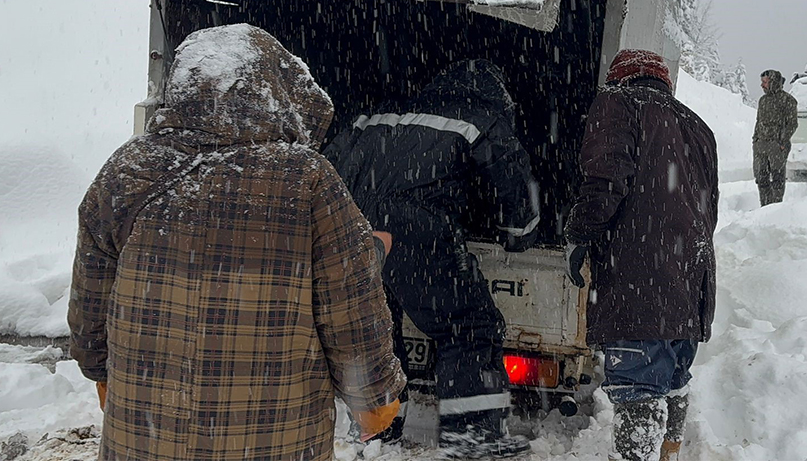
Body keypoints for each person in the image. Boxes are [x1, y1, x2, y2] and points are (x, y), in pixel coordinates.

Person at [69, 24, 406, 461]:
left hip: (143, 438)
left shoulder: (130, 167)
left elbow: (89, 304)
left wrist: (102, 372)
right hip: (275, 440)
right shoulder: (305, 178)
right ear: (275, 88)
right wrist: (373, 396)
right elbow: (350, 310)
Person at [324, 59, 540, 458]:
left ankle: (379, 428)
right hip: (416, 227)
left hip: (352, 226)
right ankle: (472, 438)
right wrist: (519, 234)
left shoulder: (378, 116)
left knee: (377, 328)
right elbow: (512, 183)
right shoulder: (480, 119)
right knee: (469, 328)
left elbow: (329, 165)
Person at [563, 49, 718, 461]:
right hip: (690, 281)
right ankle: (668, 453)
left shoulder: (618, 104)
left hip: (640, 279)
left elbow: (605, 180)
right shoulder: (698, 125)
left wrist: (580, 234)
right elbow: (710, 209)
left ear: (619, 80)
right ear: (663, 81)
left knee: (639, 388)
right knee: (673, 378)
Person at [752, 69, 798, 205]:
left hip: (777, 146)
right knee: (761, 178)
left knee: (777, 178)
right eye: (762, 82)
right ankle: (764, 206)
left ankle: (775, 208)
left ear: (773, 82)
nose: (762, 85)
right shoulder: (763, 100)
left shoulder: (788, 100)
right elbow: (758, 121)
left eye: (765, 82)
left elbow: (792, 124)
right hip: (760, 145)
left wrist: (782, 142)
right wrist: (755, 140)